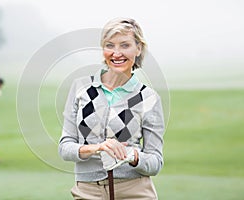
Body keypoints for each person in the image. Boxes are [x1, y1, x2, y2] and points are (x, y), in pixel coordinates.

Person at [59, 17, 165, 199]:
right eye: (110, 45)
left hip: (134, 191)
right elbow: (65, 148)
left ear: (138, 49)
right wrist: (97, 148)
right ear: (103, 49)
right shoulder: (81, 88)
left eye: (125, 45)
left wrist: (131, 155)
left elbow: (155, 162)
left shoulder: (148, 98)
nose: (116, 53)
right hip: (87, 191)